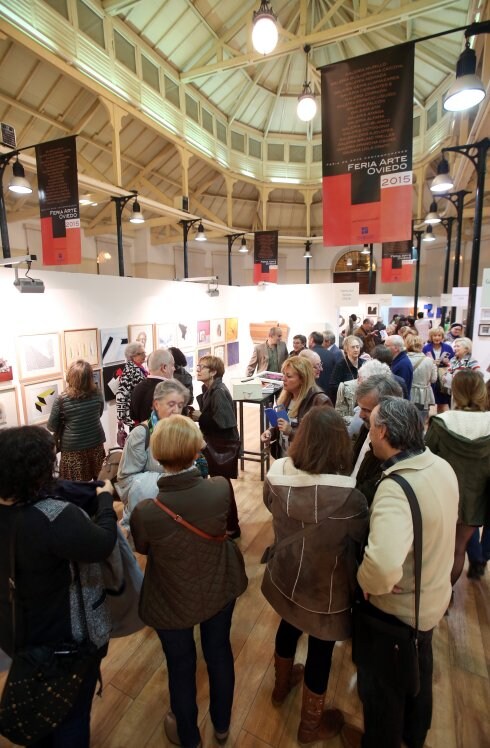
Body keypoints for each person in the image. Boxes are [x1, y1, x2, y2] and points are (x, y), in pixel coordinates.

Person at [341, 399, 458, 748]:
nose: (368, 434)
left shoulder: (395, 488)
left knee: (383, 697)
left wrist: (365, 582)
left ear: (384, 432)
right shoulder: (440, 466)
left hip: (396, 613)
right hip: (431, 598)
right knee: (418, 676)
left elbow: (381, 567)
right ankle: (413, 736)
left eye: (371, 425)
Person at [130, 416, 248, 748]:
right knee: (219, 652)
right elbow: (223, 527)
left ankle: (189, 736)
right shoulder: (220, 488)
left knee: (180, 667)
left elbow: (143, 548)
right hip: (217, 584)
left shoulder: (146, 511)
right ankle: (222, 726)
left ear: (158, 453)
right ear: (197, 447)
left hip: (170, 594)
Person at [0, 426, 117, 748]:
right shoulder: (54, 516)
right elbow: (102, 543)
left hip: (17, 629)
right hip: (64, 637)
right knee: (71, 715)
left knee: (39, 708)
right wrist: (105, 500)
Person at [262, 407, 368, 744]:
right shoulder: (352, 498)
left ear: (302, 437)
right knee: (321, 651)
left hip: (286, 575)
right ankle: (309, 726)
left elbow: (269, 505)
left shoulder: (276, 476)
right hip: (328, 587)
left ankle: (280, 687)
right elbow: (361, 540)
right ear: (341, 445)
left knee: (288, 626)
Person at [425, 370, 490, 589]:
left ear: (455, 391)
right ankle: (446, 592)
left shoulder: (442, 422)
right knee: (458, 549)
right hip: (476, 497)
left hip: (443, 493)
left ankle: (434, 597)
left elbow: (426, 456)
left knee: (436, 549)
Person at [117, 379, 189, 527]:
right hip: (148, 516)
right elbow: (126, 480)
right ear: (156, 404)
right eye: (171, 404)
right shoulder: (141, 434)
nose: (176, 410)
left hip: (176, 514)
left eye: (180, 405)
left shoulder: (181, 432)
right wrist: (170, 481)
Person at [196, 355, 241, 539]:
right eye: (198, 366)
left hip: (221, 446)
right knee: (221, 484)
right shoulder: (210, 389)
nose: (198, 369)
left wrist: (200, 417)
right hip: (216, 444)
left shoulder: (219, 391)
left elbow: (225, 422)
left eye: (202, 367)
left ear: (213, 371)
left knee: (223, 485)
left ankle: (232, 527)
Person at [261, 356, 332, 458]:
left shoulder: (320, 401)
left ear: (303, 379)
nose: (283, 379)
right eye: (283, 375)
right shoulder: (285, 398)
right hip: (284, 457)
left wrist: (291, 432)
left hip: (306, 463)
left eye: (289, 376)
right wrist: (270, 433)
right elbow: (281, 426)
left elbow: (321, 439)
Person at [47, 359, 105, 481]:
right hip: (96, 442)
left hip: (73, 448)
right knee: (99, 480)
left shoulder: (61, 399)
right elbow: (99, 414)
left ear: (70, 377)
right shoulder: (97, 393)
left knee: (76, 486)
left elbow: (51, 426)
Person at [352, 375, 404, 505]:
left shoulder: (395, 445)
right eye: (360, 408)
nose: (361, 415)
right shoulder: (366, 427)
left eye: (366, 410)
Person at [130, 348, 175, 424]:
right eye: (172, 365)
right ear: (164, 367)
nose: (174, 369)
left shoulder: (137, 388)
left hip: (143, 433)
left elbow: (133, 416)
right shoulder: (169, 390)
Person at [405, 334, 437, 422]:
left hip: (408, 393)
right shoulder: (429, 360)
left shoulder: (404, 359)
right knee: (421, 423)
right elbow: (434, 379)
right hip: (424, 396)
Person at [422, 326, 453, 413]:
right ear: (431, 337)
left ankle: (440, 420)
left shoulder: (448, 348)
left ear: (442, 336)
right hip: (431, 375)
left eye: (439, 335)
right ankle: (428, 421)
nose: (437, 337)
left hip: (444, 376)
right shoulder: (426, 348)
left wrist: (447, 362)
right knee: (428, 401)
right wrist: (431, 362)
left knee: (442, 401)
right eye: (434, 335)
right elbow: (422, 361)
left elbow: (453, 362)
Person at [116, 341, 147, 427]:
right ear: (132, 356)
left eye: (144, 353)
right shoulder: (130, 370)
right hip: (134, 416)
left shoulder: (139, 368)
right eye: (141, 353)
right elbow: (121, 393)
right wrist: (120, 418)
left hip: (140, 412)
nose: (144, 356)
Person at [329, 335, 364, 405]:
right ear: (346, 349)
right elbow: (333, 386)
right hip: (346, 403)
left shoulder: (364, 363)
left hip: (361, 401)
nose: (356, 349)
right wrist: (349, 387)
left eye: (357, 347)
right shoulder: (341, 365)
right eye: (353, 347)